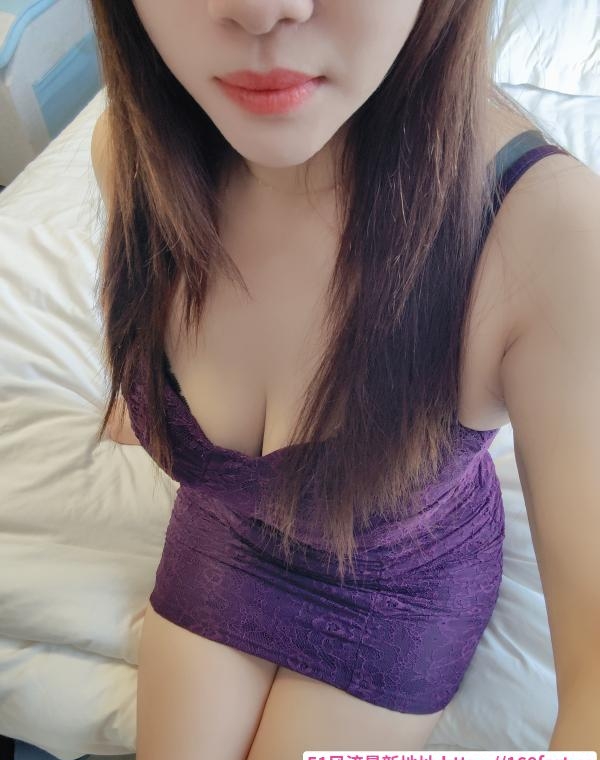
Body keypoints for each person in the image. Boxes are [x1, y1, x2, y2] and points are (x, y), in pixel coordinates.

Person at [91, 1, 600, 757]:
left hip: (399, 586)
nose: (260, 10)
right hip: (228, 530)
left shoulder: (544, 230)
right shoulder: (129, 159)